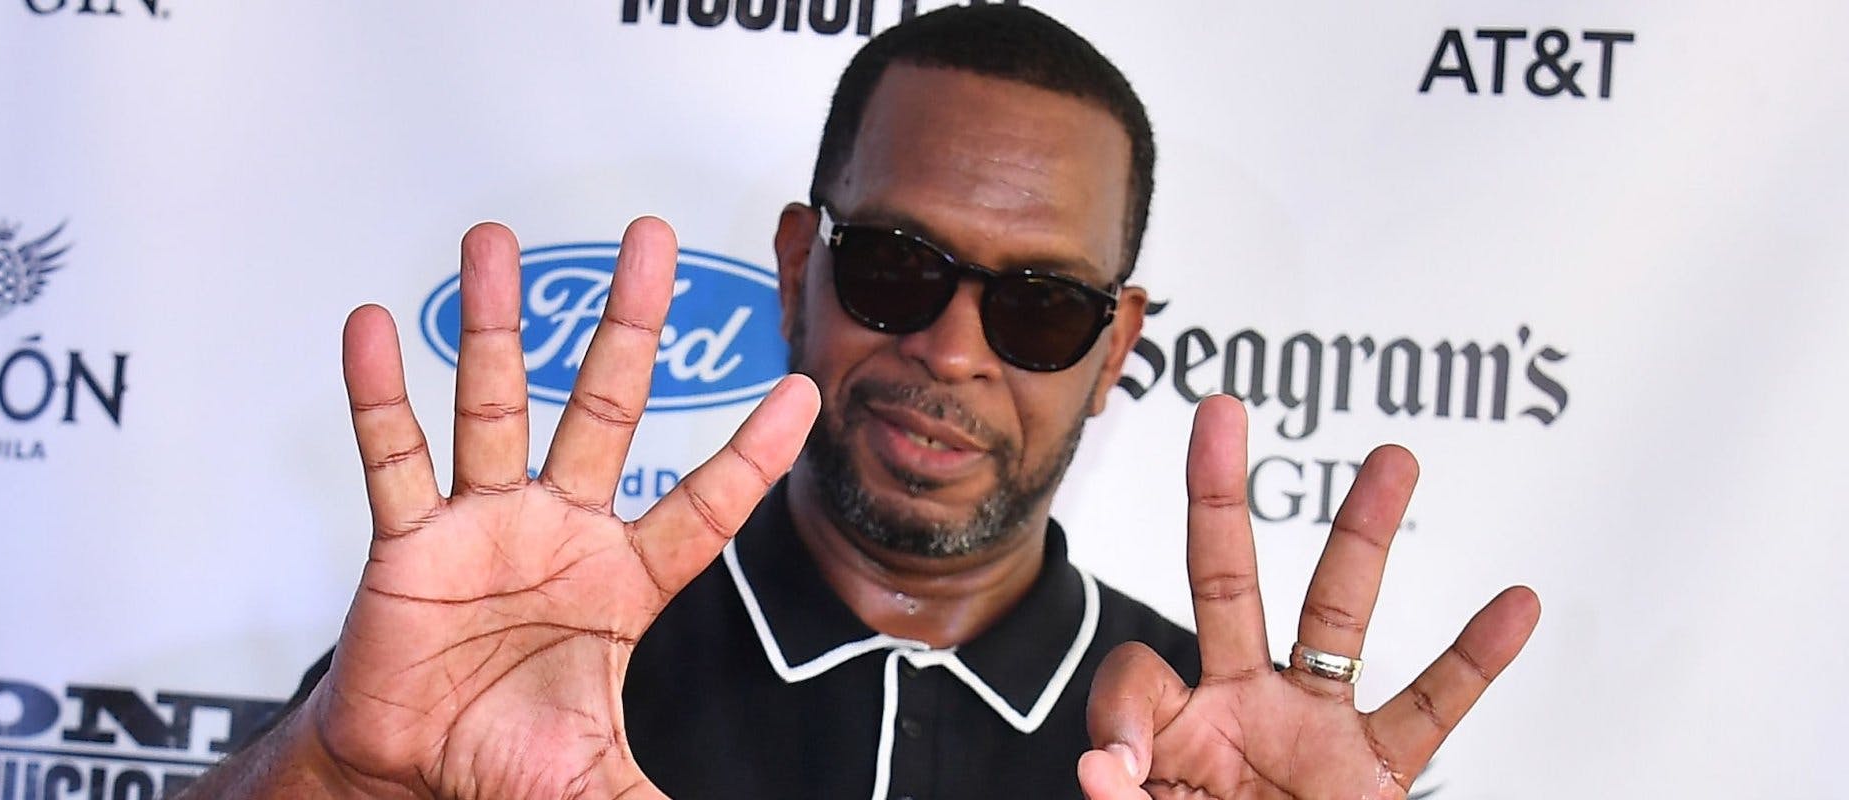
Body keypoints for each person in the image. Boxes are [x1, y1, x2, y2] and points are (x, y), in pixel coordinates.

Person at [183, 7, 1539, 799]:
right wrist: (332, 775)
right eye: (898, 267)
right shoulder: (524, 654)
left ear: (1117, 342)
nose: (954, 351)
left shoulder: (1208, 747)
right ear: (797, 266)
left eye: (1040, 305)